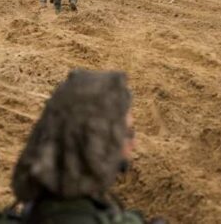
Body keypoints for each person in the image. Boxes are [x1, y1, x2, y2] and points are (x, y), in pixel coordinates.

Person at [12, 70, 146, 224]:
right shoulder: (74, 216)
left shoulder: (43, 203)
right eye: (127, 133)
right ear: (97, 143)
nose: (133, 143)